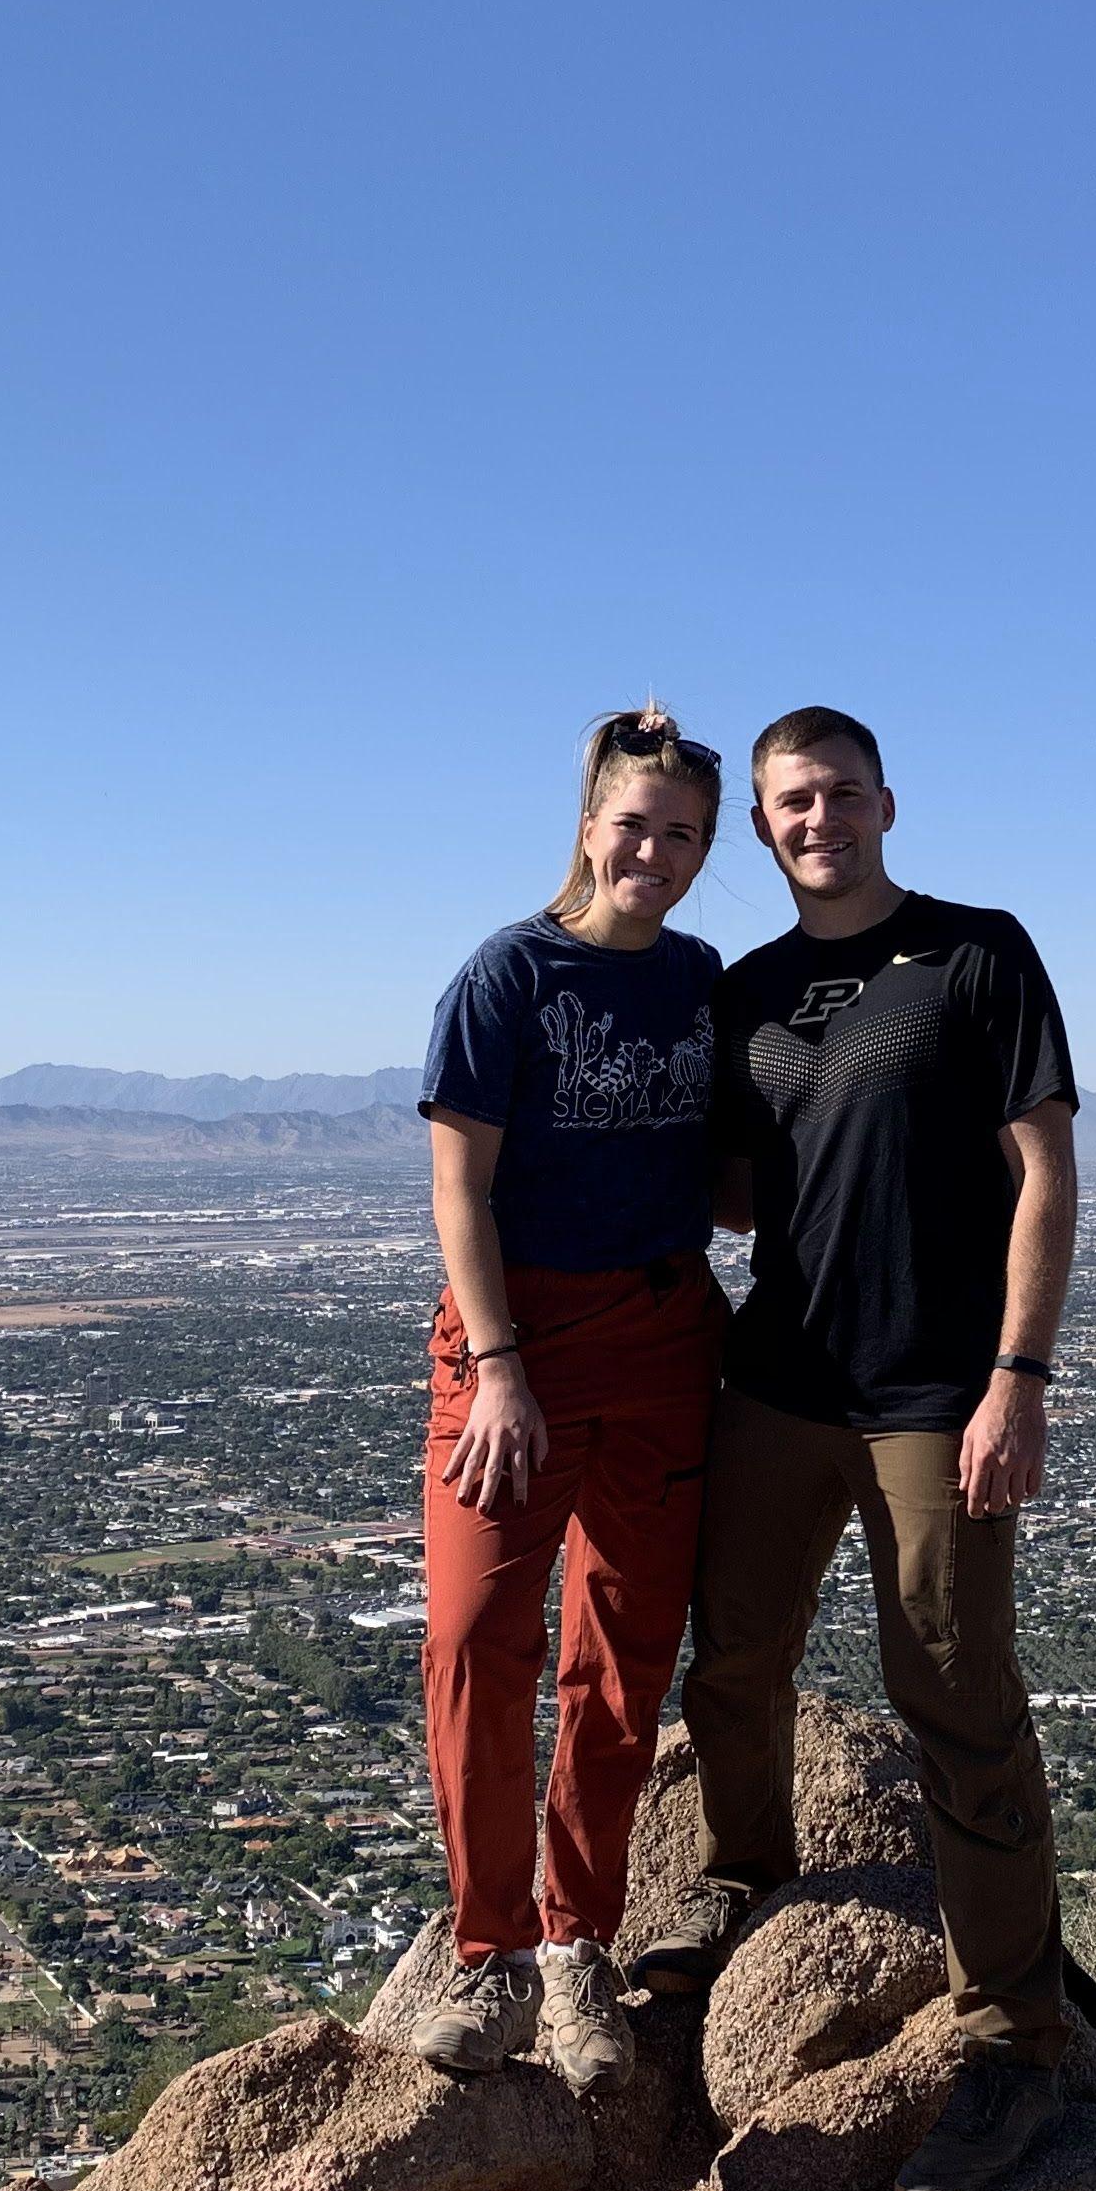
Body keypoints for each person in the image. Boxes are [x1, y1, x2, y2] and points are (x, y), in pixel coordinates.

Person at [633, 704, 1084, 2191]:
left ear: (887, 803)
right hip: (778, 1378)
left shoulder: (976, 954)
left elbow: (1045, 1174)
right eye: (785, 804)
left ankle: (1014, 2033)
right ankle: (750, 1879)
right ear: (756, 828)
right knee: (732, 1663)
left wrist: (1018, 1375)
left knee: (956, 1695)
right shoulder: (749, 989)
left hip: (931, 1391)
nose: (812, 819)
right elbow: (747, 1203)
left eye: (835, 794)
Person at [407, 706, 729, 2087]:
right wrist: (496, 1368)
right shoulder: (508, 975)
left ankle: (574, 1948)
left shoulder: (705, 980)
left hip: (662, 1337)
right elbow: (458, 1187)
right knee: (481, 1639)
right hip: (514, 1345)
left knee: (622, 1658)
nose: (654, 851)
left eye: (684, 835)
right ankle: (486, 1957)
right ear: (588, 823)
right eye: (635, 824)